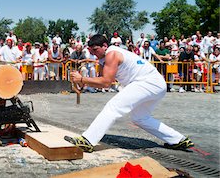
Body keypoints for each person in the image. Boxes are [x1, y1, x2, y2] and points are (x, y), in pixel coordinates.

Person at [65, 34, 194, 153]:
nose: (93, 53)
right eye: (91, 51)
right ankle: (178, 140)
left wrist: (81, 79)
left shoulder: (112, 54)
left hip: (147, 82)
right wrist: (83, 82)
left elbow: (105, 83)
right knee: (140, 118)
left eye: (96, 49)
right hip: (156, 84)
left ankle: (87, 140)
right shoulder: (104, 58)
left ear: (105, 46)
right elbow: (100, 80)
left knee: (114, 107)